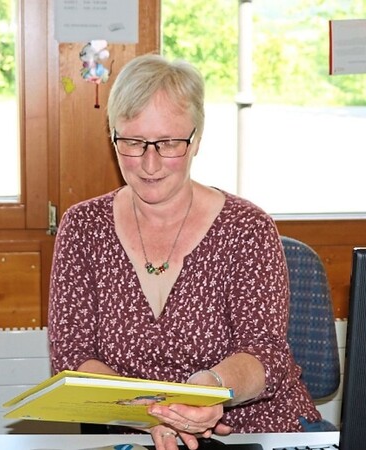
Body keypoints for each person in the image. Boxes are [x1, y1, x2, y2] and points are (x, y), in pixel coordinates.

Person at [47, 54, 328, 450]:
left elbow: (265, 355)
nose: (149, 163)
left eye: (168, 143)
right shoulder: (82, 229)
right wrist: (151, 415)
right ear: (112, 136)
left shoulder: (247, 229)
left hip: (255, 431)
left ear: (196, 140)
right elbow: (73, 360)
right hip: (140, 434)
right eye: (132, 142)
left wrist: (209, 389)